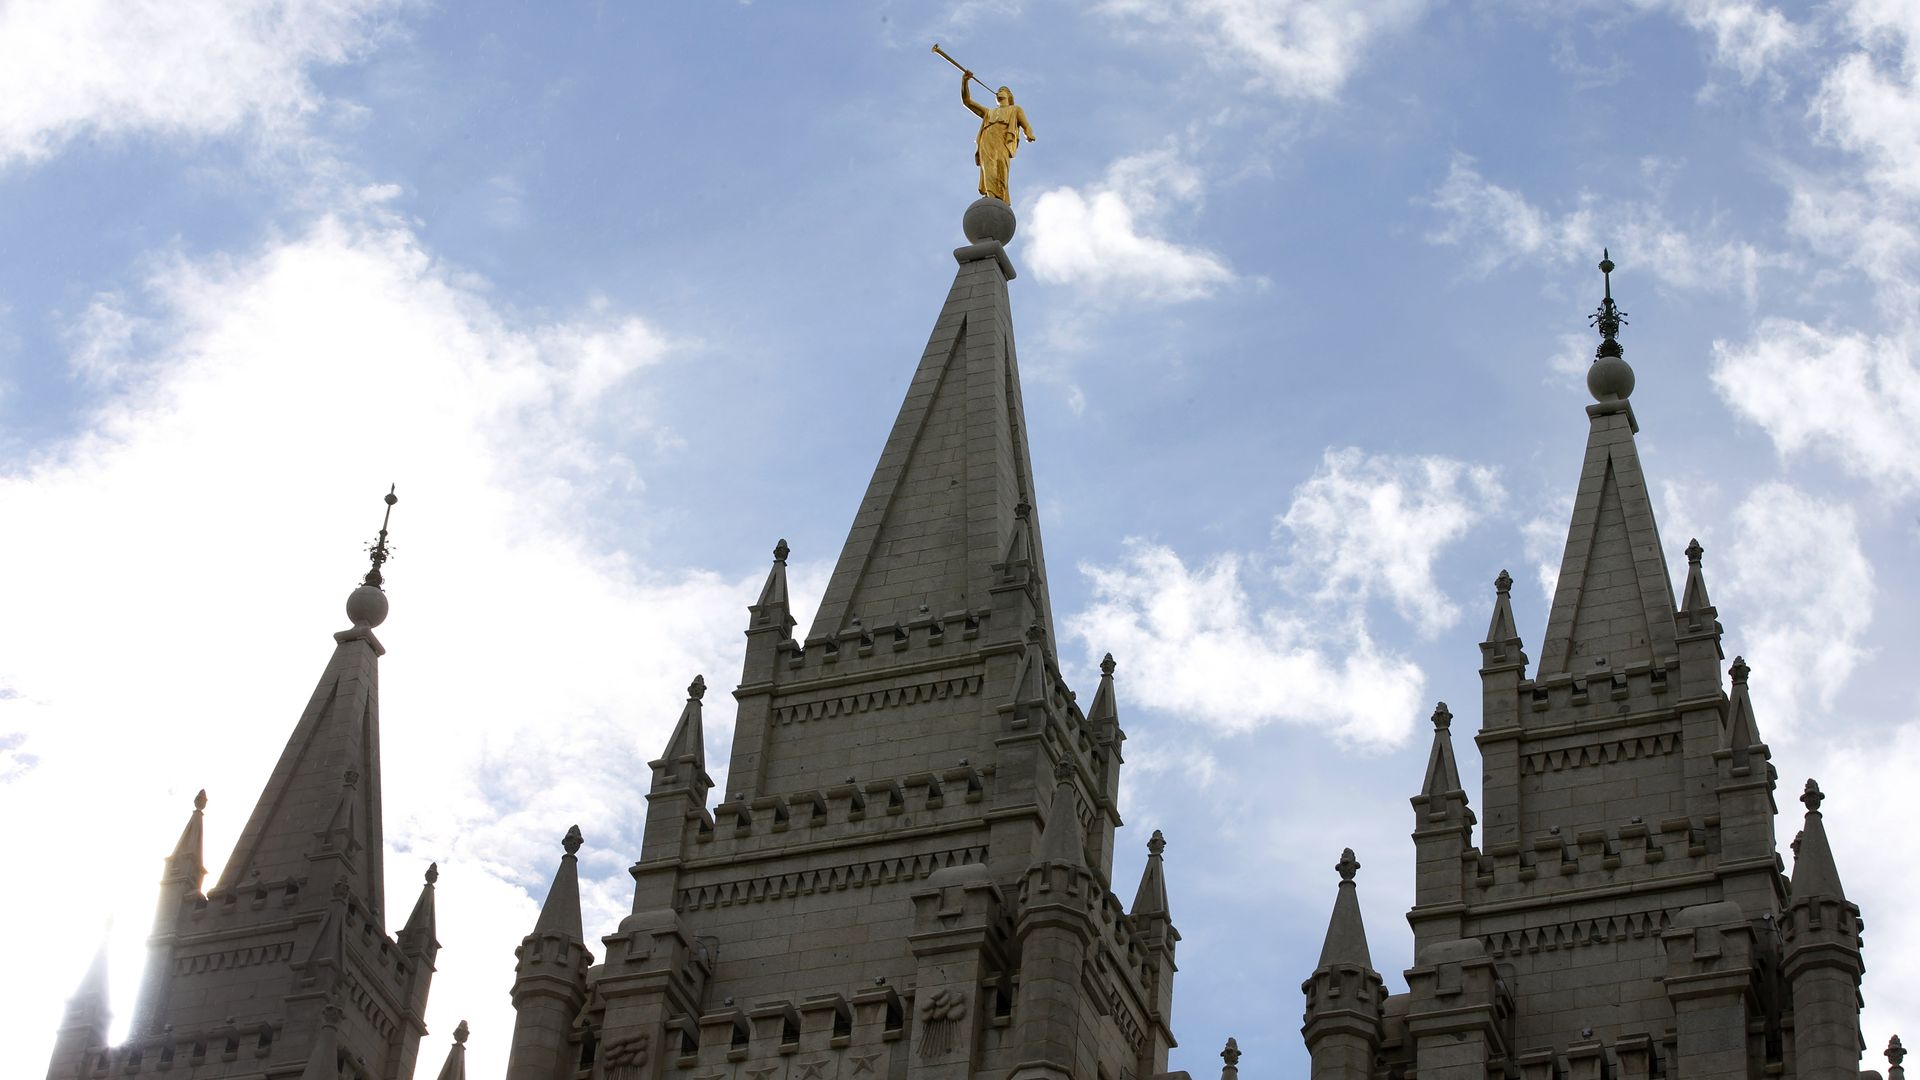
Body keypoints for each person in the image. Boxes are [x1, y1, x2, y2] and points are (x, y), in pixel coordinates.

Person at [962, 73, 1035, 202]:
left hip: (1002, 141)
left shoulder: (1015, 109)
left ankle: (1000, 198)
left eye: (1003, 90)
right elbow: (967, 102)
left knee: (1001, 167)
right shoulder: (989, 112)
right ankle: (991, 197)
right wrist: (965, 81)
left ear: (1009, 96)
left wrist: (1028, 133)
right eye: (998, 90)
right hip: (987, 141)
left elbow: (1026, 125)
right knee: (989, 168)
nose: (999, 92)